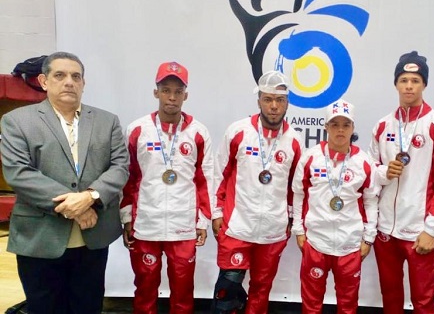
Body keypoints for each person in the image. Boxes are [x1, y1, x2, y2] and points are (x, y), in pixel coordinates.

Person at [0, 51, 129, 314]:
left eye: (76, 76)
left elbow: (120, 166)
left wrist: (91, 196)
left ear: (83, 83)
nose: (69, 82)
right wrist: (79, 206)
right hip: (40, 238)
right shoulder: (16, 121)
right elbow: (19, 173)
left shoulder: (107, 121)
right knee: (44, 307)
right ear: (44, 81)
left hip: (93, 239)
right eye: (60, 75)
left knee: (88, 306)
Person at [120, 61, 213, 314]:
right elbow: (128, 178)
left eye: (178, 91)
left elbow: (205, 179)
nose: (172, 97)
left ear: (186, 95)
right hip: (146, 224)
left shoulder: (198, 132)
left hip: (183, 226)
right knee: (145, 288)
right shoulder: (137, 130)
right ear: (156, 92)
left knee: (183, 291)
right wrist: (127, 218)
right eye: (165, 90)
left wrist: (203, 221)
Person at [368, 51, 434, 314]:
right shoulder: (383, 125)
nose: (409, 86)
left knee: (423, 299)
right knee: (390, 293)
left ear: (424, 84)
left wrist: (433, 228)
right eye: (403, 79)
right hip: (386, 229)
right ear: (395, 84)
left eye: (415, 80)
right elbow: (370, 171)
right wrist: (385, 172)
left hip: (419, 230)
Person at [211, 70, 303, 314]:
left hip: (273, 230)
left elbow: (296, 187)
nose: (274, 106)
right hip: (238, 226)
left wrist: (290, 221)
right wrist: (216, 212)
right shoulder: (239, 131)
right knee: (226, 292)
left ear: (287, 102)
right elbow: (218, 174)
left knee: (261, 289)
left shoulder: (294, 141)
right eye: (268, 99)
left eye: (279, 100)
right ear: (259, 100)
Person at [291, 99, 378, 314]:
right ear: (326, 127)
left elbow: (370, 200)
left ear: (353, 128)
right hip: (317, 242)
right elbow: (299, 194)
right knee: (311, 303)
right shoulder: (311, 157)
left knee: (348, 305)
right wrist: (299, 231)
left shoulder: (364, 161)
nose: (340, 130)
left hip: (350, 244)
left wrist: (368, 238)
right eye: (335, 124)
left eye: (346, 125)